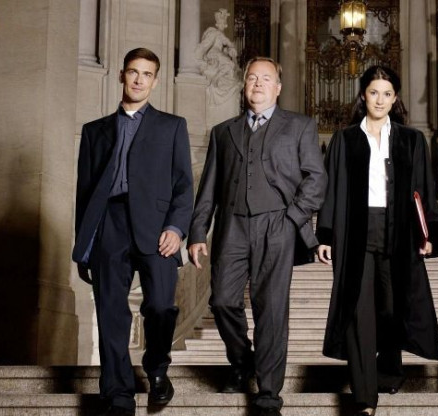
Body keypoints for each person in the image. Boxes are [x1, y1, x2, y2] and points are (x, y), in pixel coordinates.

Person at [187, 57, 326, 416]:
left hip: (277, 225)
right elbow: (208, 189)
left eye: (266, 79)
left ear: (278, 87)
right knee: (222, 301)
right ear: (244, 85)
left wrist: (292, 218)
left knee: (271, 310)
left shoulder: (300, 126)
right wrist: (198, 231)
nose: (258, 84)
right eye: (252, 78)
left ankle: (267, 394)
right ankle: (242, 360)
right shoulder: (223, 132)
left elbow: (316, 178)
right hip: (232, 226)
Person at [72, 47, 194, 416]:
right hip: (109, 225)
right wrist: (85, 243)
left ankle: (157, 368)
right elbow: (84, 192)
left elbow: (184, 185)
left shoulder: (172, 126)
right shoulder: (94, 131)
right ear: (122, 75)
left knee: (160, 305)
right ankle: (118, 394)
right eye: (133, 72)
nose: (139, 80)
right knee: (110, 311)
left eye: (147, 74)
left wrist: (176, 227)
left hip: (157, 229)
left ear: (155, 81)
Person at [317, 65, 438, 416]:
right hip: (354, 232)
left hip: (398, 231)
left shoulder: (410, 140)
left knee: (391, 306)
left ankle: (389, 369)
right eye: (374, 92)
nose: (380, 100)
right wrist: (325, 234)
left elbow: (425, 189)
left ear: (395, 98)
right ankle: (364, 398)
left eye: (387, 94)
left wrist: (430, 233)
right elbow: (331, 189)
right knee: (359, 313)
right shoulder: (344, 139)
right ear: (363, 95)